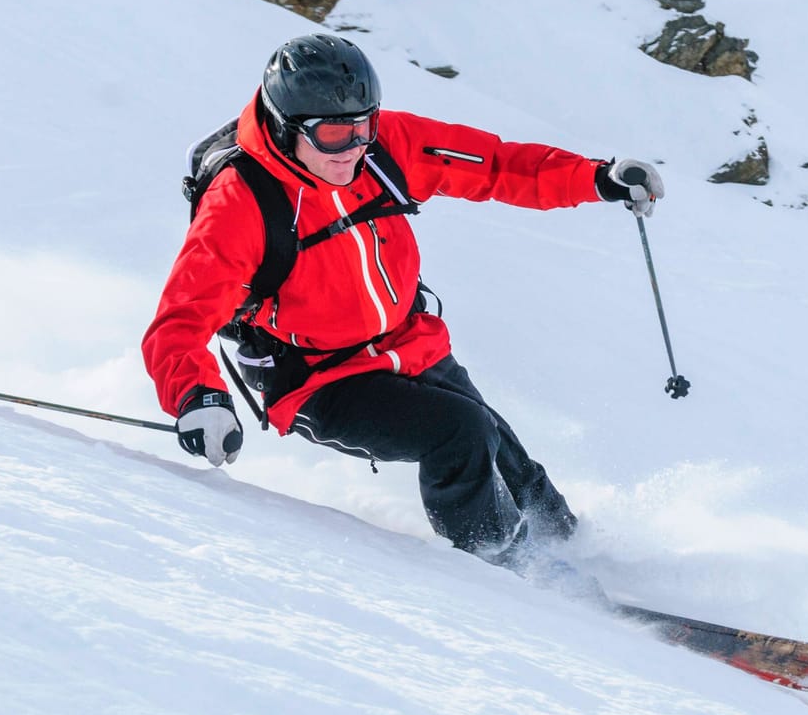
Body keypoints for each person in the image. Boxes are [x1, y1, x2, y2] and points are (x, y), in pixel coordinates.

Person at [141, 33, 663, 581]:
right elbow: (179, 321)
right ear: (283, 124)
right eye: (333, 135)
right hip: (319, 378)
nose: (351, 150)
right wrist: (198, 397)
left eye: (361, 129)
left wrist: (595, 177)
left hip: (407, 342)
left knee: (506, 453)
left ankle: (578, 553)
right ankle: (513, 574)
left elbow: (494, 165)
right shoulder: (242, 201)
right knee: (458, 433)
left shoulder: (383, 148)